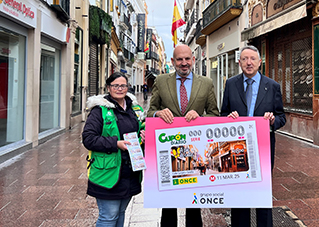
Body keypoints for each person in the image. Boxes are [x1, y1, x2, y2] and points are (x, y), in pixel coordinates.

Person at [147, 44, 219, 227]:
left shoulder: (206, 83)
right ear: (173, 61)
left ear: (193, 60)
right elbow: (150, 111)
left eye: (187, 59)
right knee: (168, 203)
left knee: (194, 203)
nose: (184, 63)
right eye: (179, 59)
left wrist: (201, 117)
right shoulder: (161, 81)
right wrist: (158, 114)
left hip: (195, 151)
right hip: (168, 151)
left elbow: (215, 114)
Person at [221, 45, 286, 227]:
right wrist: (228, 118)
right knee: (239, 195)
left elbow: (282, 117)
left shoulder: (272, 86)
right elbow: (222, 113)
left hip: (262, 148)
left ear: (260, 62)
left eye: (252, 59)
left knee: (262, 195)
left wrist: (273, 121)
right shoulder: (231, 84)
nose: (248, 63)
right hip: (236, 148)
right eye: (244, 59)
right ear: (239, 62)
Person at [82, 72, 145, 227]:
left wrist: (144, 135)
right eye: (115, 85)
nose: (119, 88)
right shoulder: (99, 110)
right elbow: (88, 139)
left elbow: (140, 129)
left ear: (127, 87)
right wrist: (116, 143)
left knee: (121, 213)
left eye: (123, 85)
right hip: (108, 172)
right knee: (108, 216)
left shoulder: (134, 109)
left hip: (129, 171)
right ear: (108, 87)